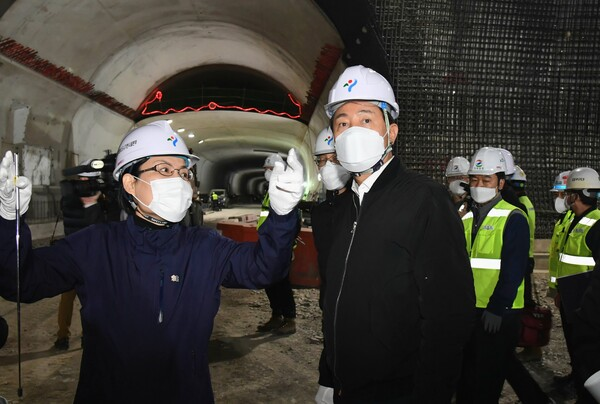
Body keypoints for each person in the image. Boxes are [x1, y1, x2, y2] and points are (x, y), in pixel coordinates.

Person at [0, 120, 303, 403]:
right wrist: (7, 220)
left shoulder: (205, 247)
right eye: (164, 169)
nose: (180, 180)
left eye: (185, 173)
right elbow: (21, 283)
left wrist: (283, 214)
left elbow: (265, 268)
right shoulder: (93, 245)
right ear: (130, 184)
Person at [321, 65, 475, 402]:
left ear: (391, 132)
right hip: (349, 385)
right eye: (342, 123)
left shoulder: (425, 200)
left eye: (365, 119)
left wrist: (430, 395)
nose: (352, 130)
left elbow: (448, 315)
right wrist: (330, 376)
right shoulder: (347, 207)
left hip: (399, 390)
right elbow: (338, 299)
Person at [456, 147, 549, 403]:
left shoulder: (513, 216)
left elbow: (514, 269)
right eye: (475, 179)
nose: (479, 185)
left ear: (501, 183)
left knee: (488, 380)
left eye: (486, 180)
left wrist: (497, 307)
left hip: (500, 312)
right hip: (470, 310)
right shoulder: (465, 218)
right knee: (466, 377)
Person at [310, 127, 351, 404]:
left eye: (333, 159)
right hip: (331, 299)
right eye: (321, 161)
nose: (326, 167)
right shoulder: (322, 211)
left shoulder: (364, 206)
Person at [555, 167, 600, 400]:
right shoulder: (573, 219)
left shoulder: (596, 224)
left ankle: (584, 391)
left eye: (567, 193)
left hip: (586, 303)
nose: (565, 197)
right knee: (574, 346)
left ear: (576, 194)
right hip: (571, 297)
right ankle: (577, 381)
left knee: (586, 351)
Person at [54, 163, 109, 350]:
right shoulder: (75, 201)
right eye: (84, 180)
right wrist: (92, 203)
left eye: (90, 181)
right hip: (79, 258)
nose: (87, 184)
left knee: (87, 301)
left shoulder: (72, 198)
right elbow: (92, 225)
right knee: (70, 300)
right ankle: (63, 335)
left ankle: (79, 335)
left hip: (83, 257)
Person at [255, 153, 298, 335]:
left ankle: (289, 319)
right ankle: (276, 316)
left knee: (281, 283)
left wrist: (288, 246)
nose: (267, 172)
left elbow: (293, 222)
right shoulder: (271, 191)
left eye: (270, 169)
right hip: (268, 245)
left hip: (280, 247)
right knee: (270, 282)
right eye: (266, 169)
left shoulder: (285, 190)